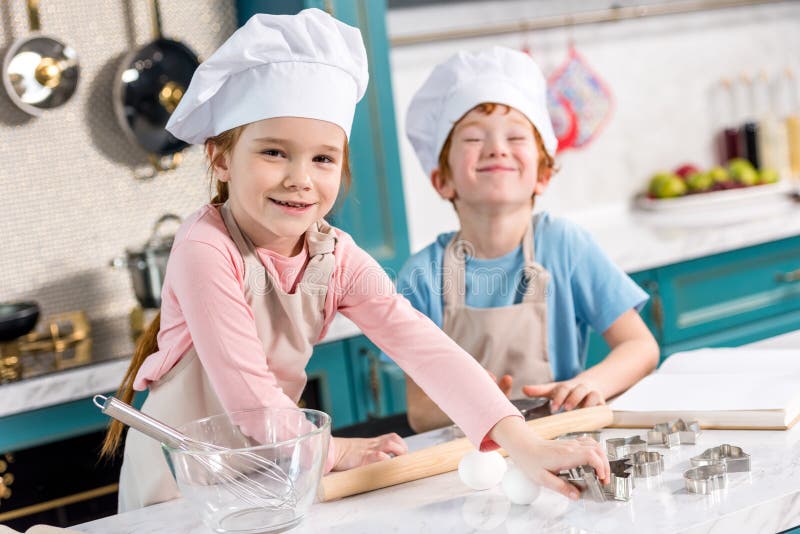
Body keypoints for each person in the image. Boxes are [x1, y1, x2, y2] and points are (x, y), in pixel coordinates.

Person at [101, 11, 610, 512]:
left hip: (274, 469)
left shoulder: (335, 255)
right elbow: (250, 401)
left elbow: (427, 349)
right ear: (220, 158)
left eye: (323, 158)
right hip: (180, 486)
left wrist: (523, 442)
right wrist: (337, 449)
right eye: (275, 152)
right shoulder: (204, 248)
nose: (300, 178)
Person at [400, 46, 660, 433]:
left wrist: (590, 384)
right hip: (469, 460)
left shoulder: (565, 246)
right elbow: (420, 411)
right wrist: (471, 401)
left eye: (516, 136)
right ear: (442, 180)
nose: (496, 147)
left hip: (564, 439)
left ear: (543, 174)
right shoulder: (421, 275)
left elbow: (641, 348)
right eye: (472, 139)